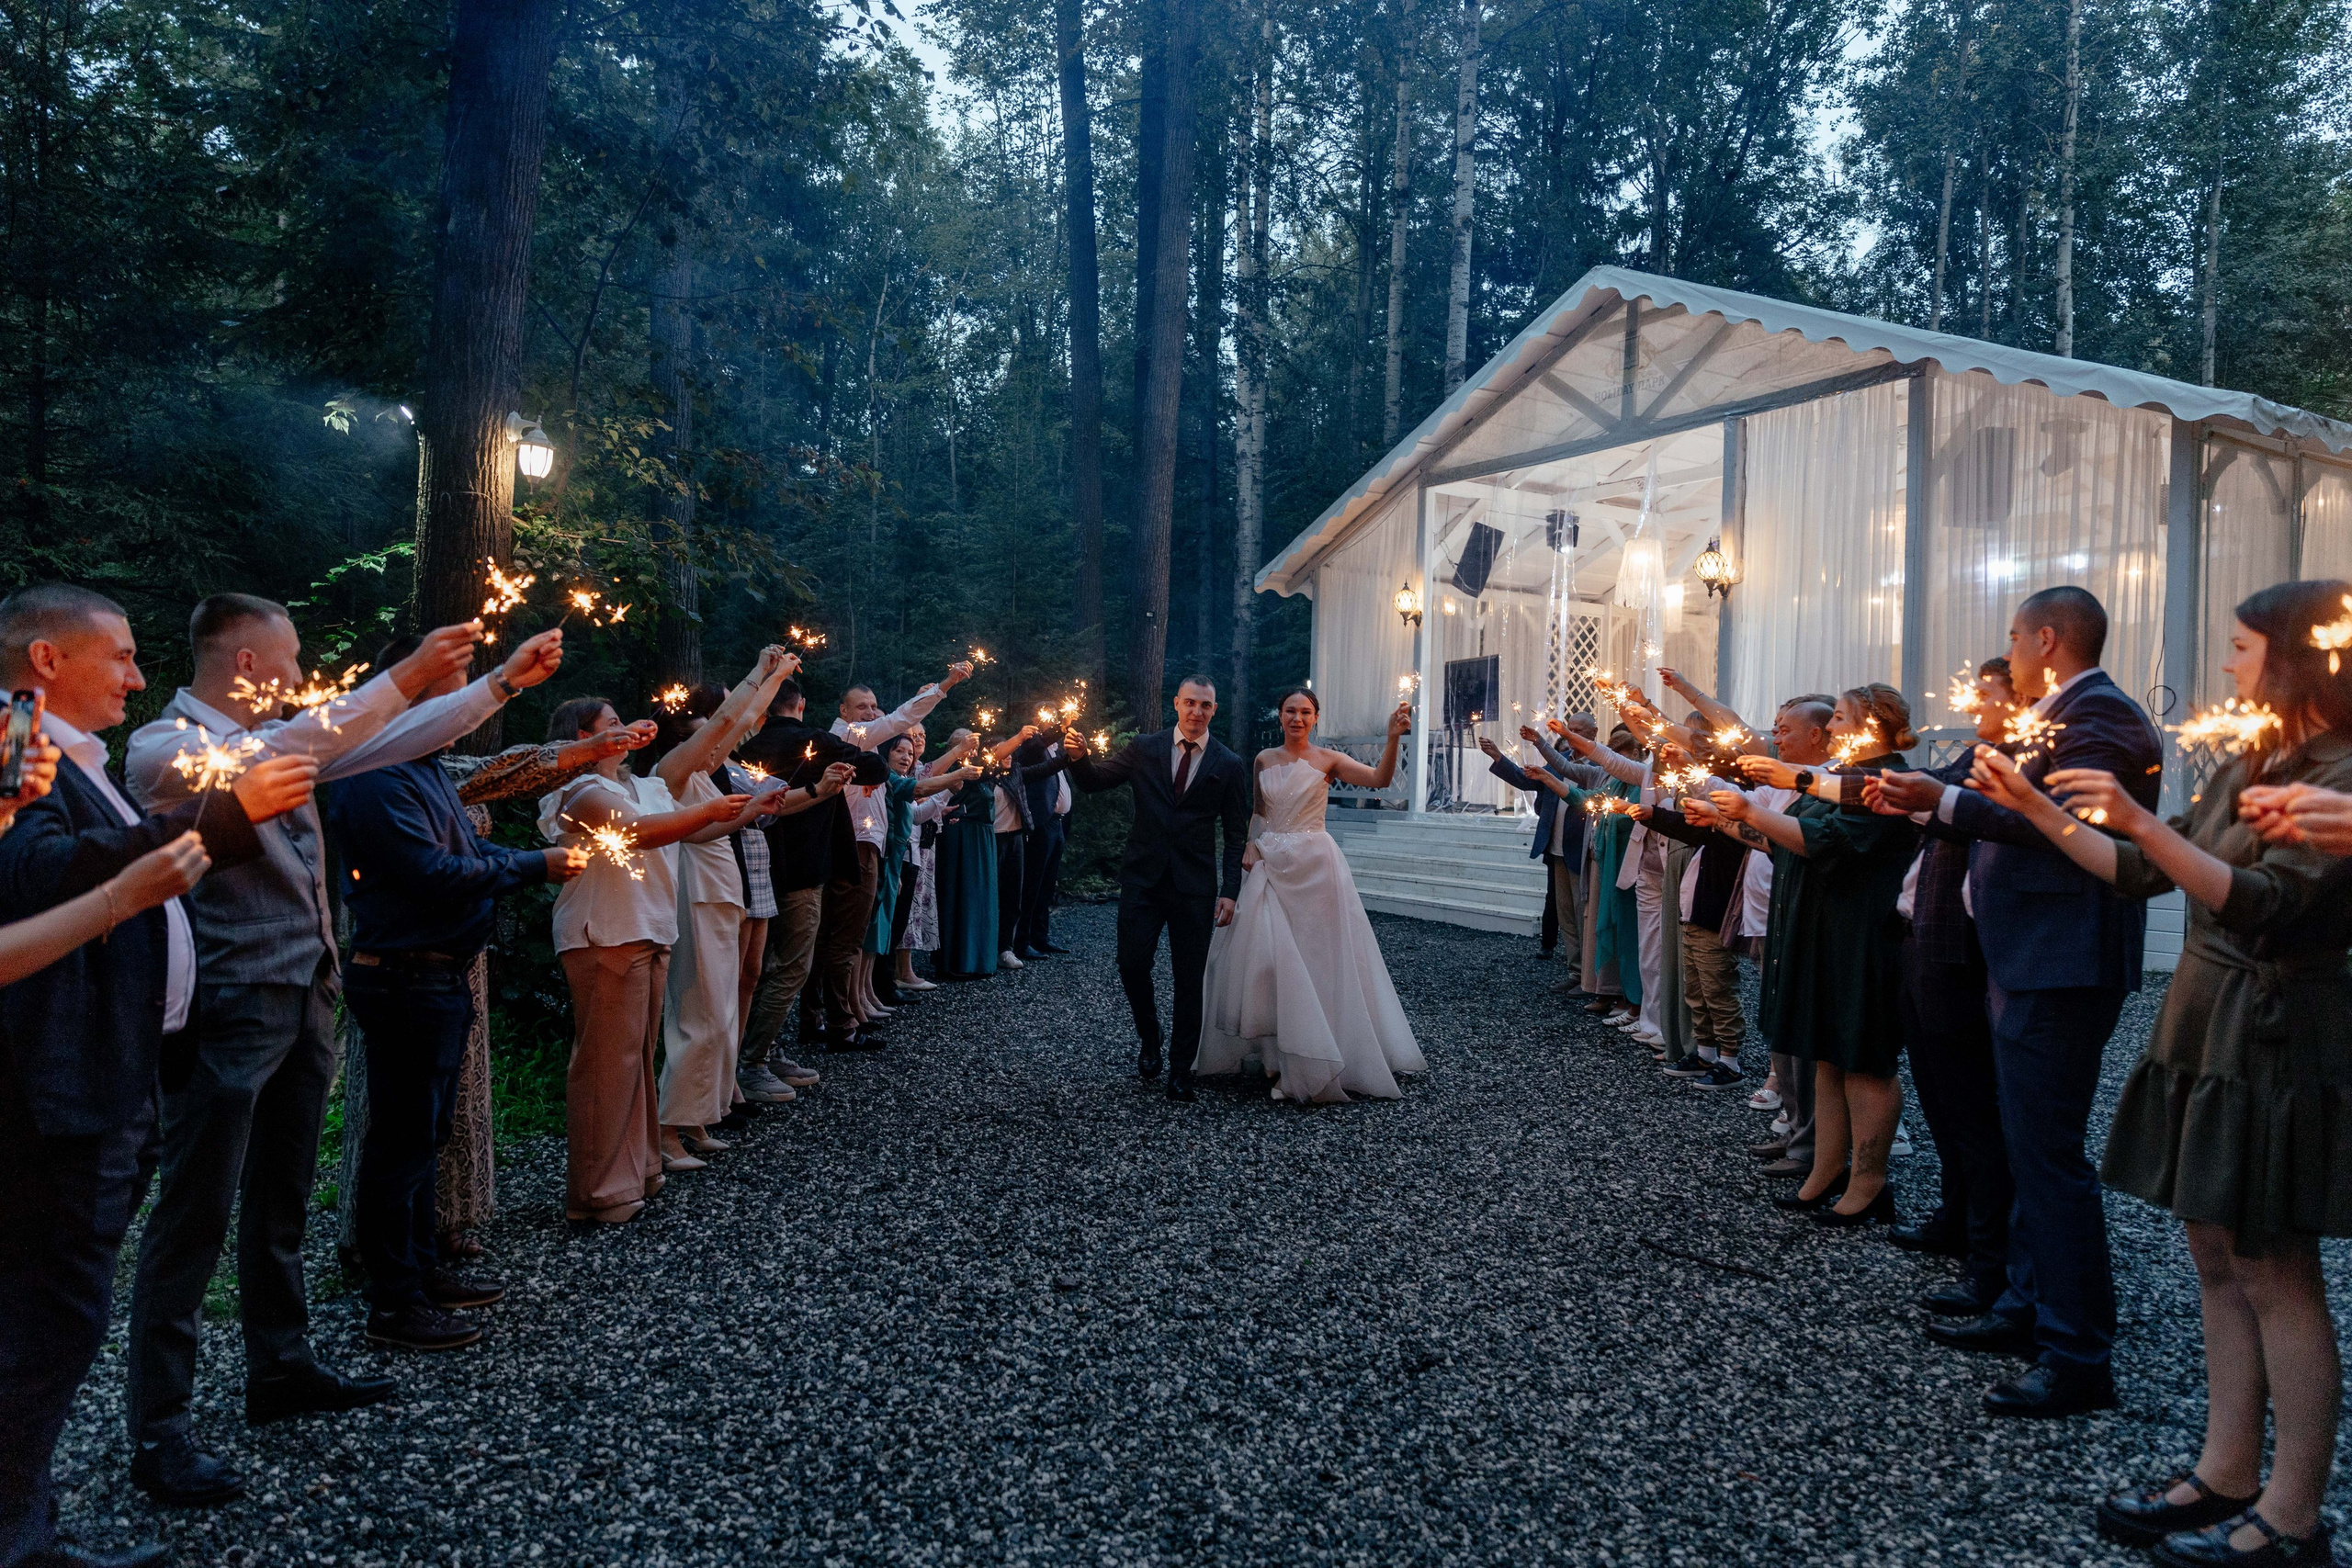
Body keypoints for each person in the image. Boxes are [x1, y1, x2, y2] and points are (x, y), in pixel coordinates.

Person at [121, 594, 567, 1505]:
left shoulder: (292, 738)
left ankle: (280, 1366)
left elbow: (397, 735)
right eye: (289, 656)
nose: (302, 674)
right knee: (195, 1213)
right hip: (230, 1003)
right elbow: (307, 743)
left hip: (305, 993)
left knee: (281, 1197)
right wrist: (406, 674)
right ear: (247, 662)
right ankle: (159, 1426)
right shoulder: (162, 748)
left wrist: (496, 684)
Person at [1973, 581, 2352, 1564]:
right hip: (2203, 1020)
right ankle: (2225, 1470)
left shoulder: (2342, 773)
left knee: (2275, 1267)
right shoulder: (2253, 760)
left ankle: (2292, 1516)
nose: (2226, 663)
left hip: (2272, 1029)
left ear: (2296, 658)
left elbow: (2259, 900)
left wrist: (2142, 824)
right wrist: (2032, 803)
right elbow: (2138, 871)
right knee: (2215, 1254)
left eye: (2241, 647)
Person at [0, 582, 317, 1568]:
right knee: (49, 1320)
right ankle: (19, 1538)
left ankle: (27, 1523)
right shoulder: (20, 741)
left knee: (58, 1316)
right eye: (122, 655)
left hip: (123, 1069)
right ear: (46, 659)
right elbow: (40, 878)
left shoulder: (69, 754)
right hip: (63, 1079)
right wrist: (219, 822)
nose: (139, 677)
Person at [1875, 584, 2164, 1417]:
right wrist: (1935, 798)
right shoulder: (2056, 716)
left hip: (2063, 957)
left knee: (2049, 1155)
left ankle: (2076, 1352)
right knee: (2026, 1142)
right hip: (2026, 954)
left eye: (2013, 636)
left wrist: (1945, 801)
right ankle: (2024, 1303)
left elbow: (2058, 826)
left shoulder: (2099, 719)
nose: (2006, 651)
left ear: (2046, 639)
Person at [327, 649, 593, 1351]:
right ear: (408, 698)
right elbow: (429, 870)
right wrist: (534, 864)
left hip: (438, 976)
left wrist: (512, 864)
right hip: (402, 976)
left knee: (426, 1136)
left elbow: (470, 854)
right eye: (451, 698)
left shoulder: (424, 768)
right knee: (401, 1143)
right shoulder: (373, 773)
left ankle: (421, 1269)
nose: (463, 712)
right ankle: (394, 1302)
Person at [538, 696, 804, 1221]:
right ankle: (598, 1194)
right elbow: (638, 833)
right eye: (611, 723)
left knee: (636, 1058)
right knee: (606, 1065)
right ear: (583, 738)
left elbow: (692, 823)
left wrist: (749, 809)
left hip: (649, 930)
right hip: (604, 931)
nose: (625, 728)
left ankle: (640, 1168)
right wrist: (707, 808)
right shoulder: (577, 792)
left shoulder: (640, 787)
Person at [1713, 684, 1920, 1227]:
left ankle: (1869, 1183)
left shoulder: (1883, 781)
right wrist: (1731, 821)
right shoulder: (1840, 777)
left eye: (1842, 718)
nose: (1830, 727)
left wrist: (1749, 812)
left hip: (1862, 936)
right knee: (1826, 1056)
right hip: (1821, 931)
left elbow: (1822, 840)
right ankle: (1825, 1171)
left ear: (1870, 727)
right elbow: (1789, 838)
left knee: (1865, 1061)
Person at [1862, 659, 2018, 1309]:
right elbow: (1932, 795)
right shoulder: (1976, 755)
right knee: (1941, 1098)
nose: (1974, 704)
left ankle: (1989, 1257)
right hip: (1921, 937)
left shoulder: (2012, 763)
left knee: (1972, 1106)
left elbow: (1950, 804)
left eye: (1986, 693)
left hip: (1957, 950)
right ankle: (1957, 1217)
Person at [1193, 690, 1423, 1102]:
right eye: (1290, 711)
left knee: (1317, 961)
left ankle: (1316, 1059)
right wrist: (1251, 843)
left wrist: (1392, 739)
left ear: (1315, 718)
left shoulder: (1329, 760)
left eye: (1305, 712)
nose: (1297, 718)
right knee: (1266, 959)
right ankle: (1278, 1052)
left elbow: (1380, 780)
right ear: (1280, 715)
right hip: (1269, 866)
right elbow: (1260, 812)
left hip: (1315, 867)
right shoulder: (1264, 759)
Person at [1062, 675, 1251, 1102]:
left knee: (1189, 980)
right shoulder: (1144, 748)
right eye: (1190, 703)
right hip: (1143, 879)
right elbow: (1094, 781)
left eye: (1205, 705)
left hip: (1195, 886)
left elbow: (1235, 834)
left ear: (1214, 710)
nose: (1197, 711)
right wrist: (1078, 758)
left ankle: (1180, 1071)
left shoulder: (1228, 763)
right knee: (1131, 964)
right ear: (1176, 703)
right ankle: (1150, 1035)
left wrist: (1230, 890)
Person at [654, 650, 803, 1164]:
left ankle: (698, 1117)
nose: (717, 744)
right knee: (697, 1015)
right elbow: (729, 720)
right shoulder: (671, 773)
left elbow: (737, 725)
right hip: (695, 892)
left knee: (720, 1014)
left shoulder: (705, 774)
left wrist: (753, 809)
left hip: (724, 890)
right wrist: (762, 673)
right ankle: (667, 1131)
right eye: (705, 738)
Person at [733, 679, 869, 1090]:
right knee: (792, 966)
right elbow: (875, 769)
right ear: (802, 704)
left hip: (759, 866)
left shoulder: (748, 749)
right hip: (803, 866)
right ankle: (753, 1060)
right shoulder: (816, 741)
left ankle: (765, 1050)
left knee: (763, 965)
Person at [1480, 716, 1601, 991]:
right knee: (1566, 916)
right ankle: (1576, 972)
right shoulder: (1560, 761)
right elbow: (1527, 780)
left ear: (1594, 732)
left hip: (1582, 850)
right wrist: (1498, 756)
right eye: (1570, 729)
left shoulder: (1600, 765)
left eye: (1578, 730)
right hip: (1555, 849)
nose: (1571, 734)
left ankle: (1592, 978)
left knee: (1584, 915)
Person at [930, 728, 1005, 979]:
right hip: (962, 838)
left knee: (980, 898)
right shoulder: (957, 773)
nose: (973, 751)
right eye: (967, 746)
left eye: (975, 747)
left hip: (982, 839)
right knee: (960, 895)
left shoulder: (976, 771)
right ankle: (957, 961)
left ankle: (979, 960)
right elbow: (988, 770)